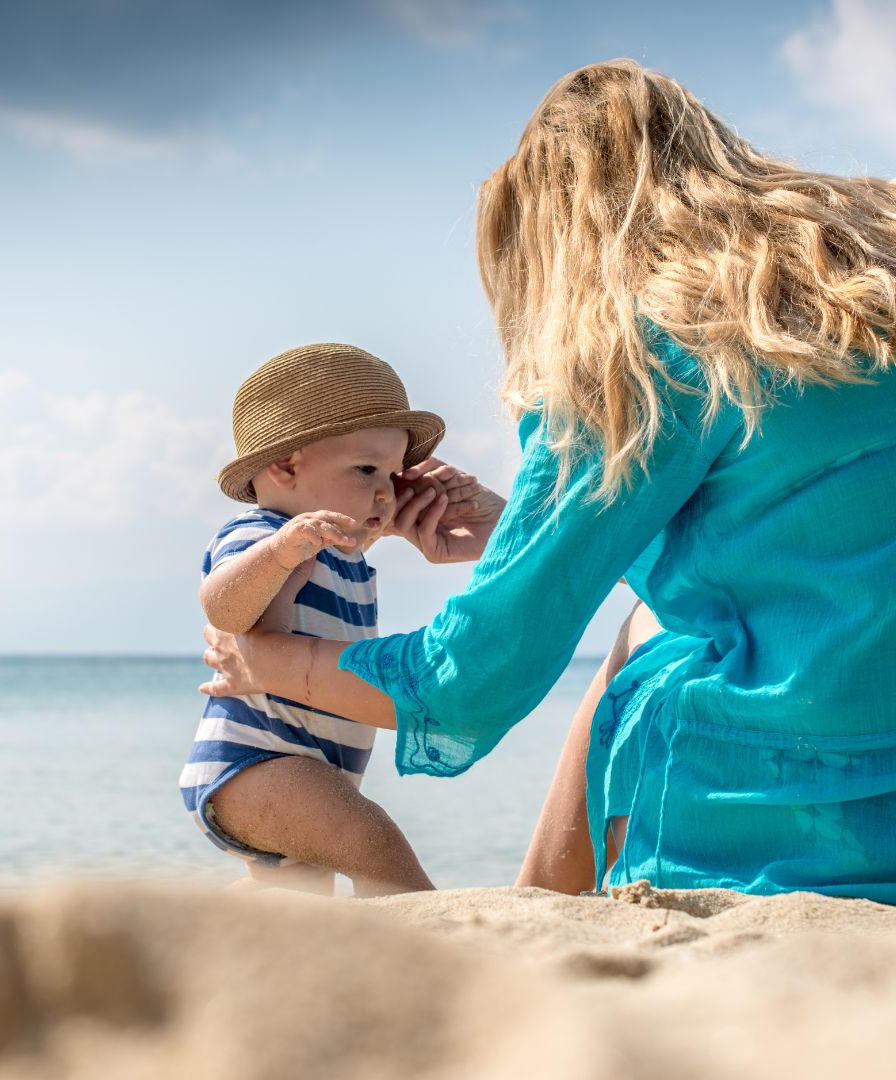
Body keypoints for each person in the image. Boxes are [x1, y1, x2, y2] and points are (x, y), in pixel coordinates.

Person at [201, 60, 896, 902]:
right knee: (651, 620)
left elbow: (469, 684)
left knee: (642, 649)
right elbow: (800, 541)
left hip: (813, 795)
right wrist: (518, 535)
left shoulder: (644, 340)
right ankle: (538, 909)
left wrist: (265, 659)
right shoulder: (852, 269)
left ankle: (538, 910)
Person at [181, 341, 478, 897]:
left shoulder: (343, 559)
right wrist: (282, 552)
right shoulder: (262, 534)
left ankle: (205, 942)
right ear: (285, 466)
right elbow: (223, 608)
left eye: (394, 474)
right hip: (256, 762)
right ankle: (420, 946)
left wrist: (456, 524)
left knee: (298, 899)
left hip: (310, 768)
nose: (386, 493)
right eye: (367, 469)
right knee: (372, 841)